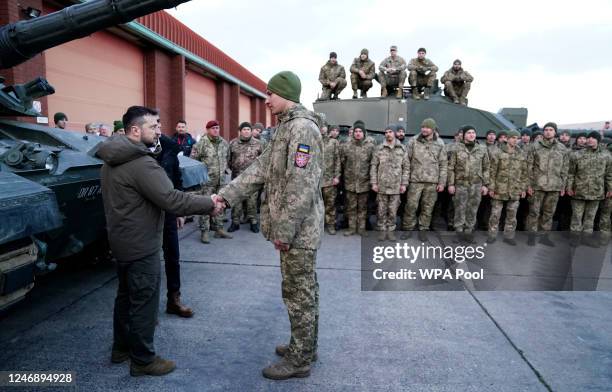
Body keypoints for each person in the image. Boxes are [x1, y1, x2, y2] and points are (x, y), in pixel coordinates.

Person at [215, 71, 323, 380]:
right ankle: (305, 345)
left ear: (285, 94)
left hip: (298, 230)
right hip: (295, 227)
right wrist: (226, 196)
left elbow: (301, 184)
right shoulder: (285, 128)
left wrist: (284, 231)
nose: (266, 100)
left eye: (270, 94)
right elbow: (259, 169)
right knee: (304, 289)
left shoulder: (302, 128)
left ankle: (300, 361)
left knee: (298, 292)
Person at [97, 105, 220, 377]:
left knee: (126, 297)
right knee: (144, 300)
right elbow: (172, 198)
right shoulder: (140, 163)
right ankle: (143, 360)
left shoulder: (112, 158)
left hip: (122, 240)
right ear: (135, 130)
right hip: (141, 245)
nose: (158, 131)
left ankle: (121, 348)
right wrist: (208, 204)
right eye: (153, 126)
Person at [152, 126, 194, 318]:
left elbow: (177, 181)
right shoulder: (137, 149)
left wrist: (179, 211)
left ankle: (174, 299)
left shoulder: (169, 149)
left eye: (158, 125)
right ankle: (146, 307)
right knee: (147, 260)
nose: (157, 129)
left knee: (172, 257)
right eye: (153, 126)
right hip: (146, 212)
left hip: (168, 210)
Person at [401, 118, 447, 241]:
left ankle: (423, 229)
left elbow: (443, 164)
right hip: (415, 180)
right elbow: (406, 161)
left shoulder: (440, 143)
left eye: (427, 127)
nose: (424, 129)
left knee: (428, 208)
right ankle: (408, 229)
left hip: (432, 182)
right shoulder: (414, 141)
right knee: (411, 206)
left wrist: (442, 182)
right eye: (423, 127)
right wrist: (405, 180)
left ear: (432, 129)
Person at [526, 122, 568, 246]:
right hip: (537, 185)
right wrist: (528, 185)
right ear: (543, 132)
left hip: (554, 186)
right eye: (546, 129)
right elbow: (529, 166)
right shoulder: (535, 146)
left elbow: (565, 168)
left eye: (551, 130)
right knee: (534, 211)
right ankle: (532, 235)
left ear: (555, 132)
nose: (548, 132)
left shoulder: (562, 148)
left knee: (549, 213)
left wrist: (563, 186)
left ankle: (544, 236)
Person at [566, 131, 612, 246]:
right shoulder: (577, 155)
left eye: (593, 138)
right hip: (579, 191)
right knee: (577, 216)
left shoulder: (606, 155)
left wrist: (610, 188)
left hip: (596, 191)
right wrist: (569, 187)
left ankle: (586, 238)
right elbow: (571, 173)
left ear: (598, 140)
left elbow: (609, 174)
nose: (590, 139)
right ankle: (575, 239)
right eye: (588, 138)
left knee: (590, 217)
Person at [190, 120, 233, 243]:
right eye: (213, 128)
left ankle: (219, 228)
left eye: (218, 128)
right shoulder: (201, 144)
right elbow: (193, 162)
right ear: (208, 129)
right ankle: (204, 231)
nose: (216, 130)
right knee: (205, 206)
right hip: (206, 182)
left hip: (221, 181)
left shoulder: (224, 143)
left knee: (220, 205)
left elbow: (227, 158)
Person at [448, 125, 489, 242]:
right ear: (464, 135)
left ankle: (468, 232)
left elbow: (486, 168)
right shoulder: (456, 148)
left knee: (473, 209)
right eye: (469, 133)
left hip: (476, 185)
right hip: (461, 184)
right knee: (460, 209)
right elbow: (451, 167)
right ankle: (459, 233)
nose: (472, 135)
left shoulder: (482, 149)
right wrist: (451, 184)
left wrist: (486, 185)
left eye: (473, 133)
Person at [487, 130, 528, 245]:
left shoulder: (521, 153)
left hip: (514, 189)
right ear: (507, 139)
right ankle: (492, 235)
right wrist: (491, 187)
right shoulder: (498, 152)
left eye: (517, 138)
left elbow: (524, 173)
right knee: (495, 214)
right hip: (499, 188)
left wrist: (523, 188)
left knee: (512, 214)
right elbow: (492, 171)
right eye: (513, 137)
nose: (515, 140)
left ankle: (509, 236)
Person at [370, 124, 409, 241]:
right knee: (381, 210)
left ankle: (391, 231)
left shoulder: (402, 149)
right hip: (382, 185)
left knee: (393, 211)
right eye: (386, 132)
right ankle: (382, 230)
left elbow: (406, 167)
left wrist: (404, 184)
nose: (388, 134)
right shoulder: (379, 148)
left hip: (396, 186)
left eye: (390, 132)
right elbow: (373, 166)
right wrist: (374, 183)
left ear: (395, 133)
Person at [227, 122, 263, 233]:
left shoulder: (258, 144)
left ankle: (253, 222)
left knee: (252, 201)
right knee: (236, 200)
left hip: (252, 178)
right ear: (240, 131)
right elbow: (229, 160)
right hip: (237, 178)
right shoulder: (233, 143)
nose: (246, 131)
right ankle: (235, 222)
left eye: (248, 129)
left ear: (251, 131)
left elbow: (262, 159)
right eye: (244, 129)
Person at [341, 120, 375, 236]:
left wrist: (371, 180)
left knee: (362, 208)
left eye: (360, 131)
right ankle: (351, 228)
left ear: (364, 133)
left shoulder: (370, 147)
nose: (358, 133)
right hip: (350, 182)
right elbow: (343, 162)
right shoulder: (346, 146)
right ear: (353, 133)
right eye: (356, 131)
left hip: (364, 182)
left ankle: (361, 229)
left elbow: (373, 163)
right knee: (351, 207)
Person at [321, 123, 341, 234]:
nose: (322, 128)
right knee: (316, 206)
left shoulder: (333, 142)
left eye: (323, 126)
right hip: (315, 181)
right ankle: (318, 226)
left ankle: (330, 225)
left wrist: (337, 176)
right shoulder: (313, 140)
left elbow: (337, 160)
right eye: (320, 126)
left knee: (330, 204)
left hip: (329, 180)